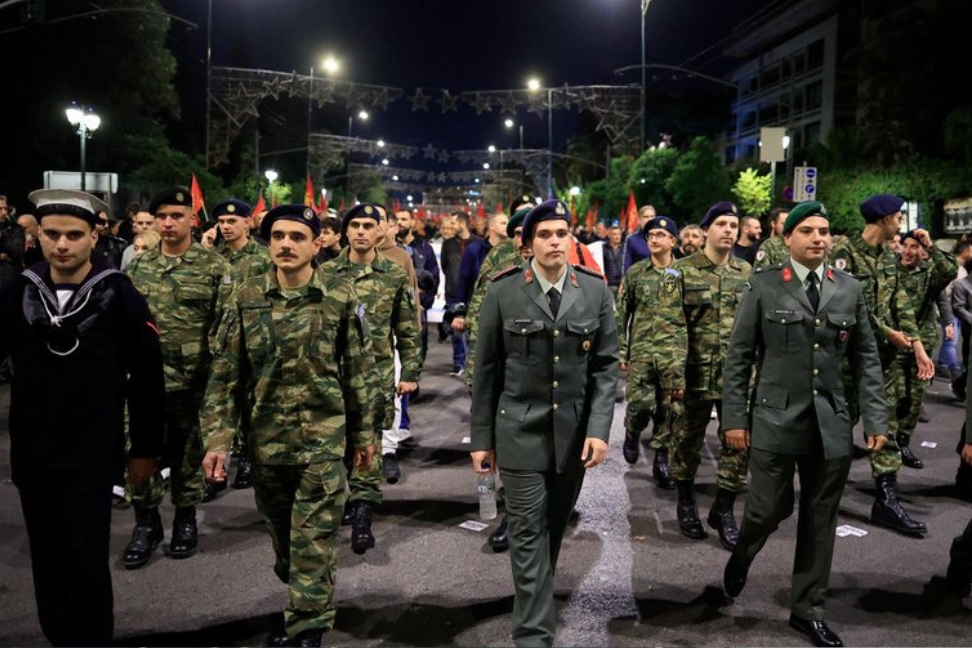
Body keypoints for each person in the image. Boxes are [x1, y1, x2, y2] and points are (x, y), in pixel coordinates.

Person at [201, 204, 375, 648]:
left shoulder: (339, 296)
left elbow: (358, 371)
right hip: (266, 444)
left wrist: (364, 436)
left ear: (317, 245)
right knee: (285, 543)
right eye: (278, 236)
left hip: (323, 442)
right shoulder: (246, 296)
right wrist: (218, 440)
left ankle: (308, 627)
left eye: (297, 237)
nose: (285, 244)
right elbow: (226, 374)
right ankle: (301, 591)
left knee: (312, 540)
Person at [2, 189, 165, 646]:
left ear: (95, 236)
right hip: (33, 451)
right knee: (46, 560)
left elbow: (148, 376)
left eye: (74, 235)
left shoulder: (119, 292)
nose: (62, 244)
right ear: (38, 236)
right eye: (52, 234)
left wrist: (145, 449)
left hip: (92, 451)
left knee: (85, 561)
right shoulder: (19, 290)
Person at [721, 200, 888, 648]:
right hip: (774, 418)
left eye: (824, 231)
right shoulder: (764, 285)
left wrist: (875, 418)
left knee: (820, 517)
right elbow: (738, 357)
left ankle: (808, 609)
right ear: (788, 238)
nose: (818, 238)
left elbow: (867, 359)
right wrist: (734, 418)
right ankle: (744, 552)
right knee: (767, 509)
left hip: (830, 422)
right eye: (808, 231)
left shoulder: (848, 288)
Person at [470, 199, 619, 647]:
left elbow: (606, 367)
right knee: (528, 529)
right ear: (527, 244)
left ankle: (534, 597)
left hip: (572, 434)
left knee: (552, 527)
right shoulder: (503, 291)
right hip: (518, 430)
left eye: (561, 234)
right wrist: (481, 439)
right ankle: (534, 634)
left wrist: (599, 429)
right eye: (544, 235)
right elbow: (486, 371)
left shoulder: (594, 290)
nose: (555, 242)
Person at [122, 186, 234, 568]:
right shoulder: (138, 268)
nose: (168, 223)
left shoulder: (215, 268)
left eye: (176, 216)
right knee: (139, 451)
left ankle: (185, 520)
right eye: (161, 217)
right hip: (144, 383)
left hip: (193, 382)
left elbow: (224, 329)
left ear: (192, 219)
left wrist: (218, 382)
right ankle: (146, 523)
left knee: (189, 455)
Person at [831, 193, 933, 536]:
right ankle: (824, 496)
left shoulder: (889, 257)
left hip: (882, 360)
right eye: (898, 217)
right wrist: (887, 332)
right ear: (884, 218)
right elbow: (847, 307)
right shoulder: (844, 254)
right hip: (846, 359)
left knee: (885, 428)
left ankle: (887, 502)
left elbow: (900, 303)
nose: (901, 223)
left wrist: (917, 345)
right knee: (838, 429)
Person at [322, 203, 420, 552]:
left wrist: (410, 371)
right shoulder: (325, 273)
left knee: (370, 442)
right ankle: (347, 498)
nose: (361, 231)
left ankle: (363, 509)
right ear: (345, 231)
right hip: (331, 375)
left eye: (368, 225)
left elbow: (406, 328)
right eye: (355, 225)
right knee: (339, 443)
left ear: (380, 230)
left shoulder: (392, 274)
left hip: (375, 374)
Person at [667, 201, 751, 550]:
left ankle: (724, 509)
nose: (729, 230)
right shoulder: (679, 272)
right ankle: (686, 503)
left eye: (733, 225)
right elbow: (669, 327)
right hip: (693, 374)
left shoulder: (746, 272)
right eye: (721, 224)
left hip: (735, 377)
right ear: (705, 230)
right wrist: (673, 375)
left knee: (739, 445)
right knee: (686, 442)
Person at [616, 216, 685, 490]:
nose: (654, 239)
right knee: (640, 404)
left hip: (673, 355)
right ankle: (632, 431)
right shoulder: (636, 273)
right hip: (642, 352)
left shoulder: (684, 273)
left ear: (673, 241)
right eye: (650, 235)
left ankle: (661, 461)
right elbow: (622, 313)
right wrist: (622, 349)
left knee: (668, 411)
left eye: (660, 235)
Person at [894, 230, 956, 468]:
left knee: (915, 397)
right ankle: (887, 444)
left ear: (922, 251)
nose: (908, 251)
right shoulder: (890, 270)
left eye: (915, 247)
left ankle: (903, 441)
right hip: (895, 343)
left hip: (923, 343)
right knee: (896, 396)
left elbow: (949, 271)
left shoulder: (930, 273)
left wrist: (930, 245)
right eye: (906, 245)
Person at [440, 210, 481, 375]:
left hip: (474, 295)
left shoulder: (479, 244)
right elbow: (445, 266)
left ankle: (474, 365)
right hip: (453, 293)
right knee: (456, 330)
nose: (450, 226)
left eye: (453, 223)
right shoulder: (448, 244)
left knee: (475, 331)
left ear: (462, 224)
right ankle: (458, 363)